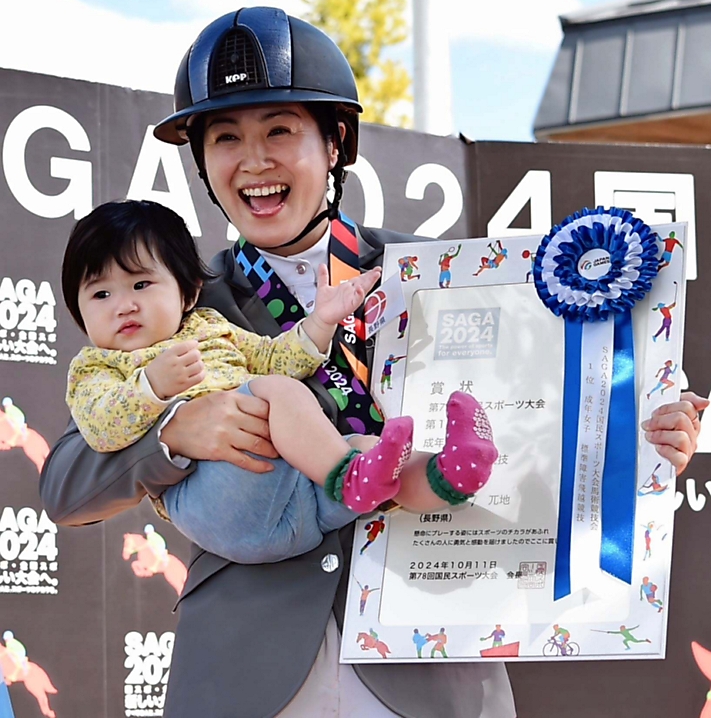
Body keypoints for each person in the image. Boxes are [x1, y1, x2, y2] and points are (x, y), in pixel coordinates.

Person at [39, 6, 707, 718]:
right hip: (245, 671)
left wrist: (649, 430)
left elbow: (547, 416)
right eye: (226, 137)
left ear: (334, 144)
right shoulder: (176, 310)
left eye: (280, 132)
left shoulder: (447, 276)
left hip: (432, 656)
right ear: (203, 165)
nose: (254, 161)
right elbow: (64, 487)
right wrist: (172, 434)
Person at [61, 200, 497, 564]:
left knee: (369, 449)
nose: (124, 306)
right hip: (214, 497)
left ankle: (448, 475)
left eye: (141, 284)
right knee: (279, 394)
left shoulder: (211, 326)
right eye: (101, 294)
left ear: (188, 294)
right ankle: (349, 475)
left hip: (298, 495)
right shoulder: (97, 367)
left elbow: (276, 359)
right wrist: (155, 393)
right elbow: (100, 428)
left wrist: (322, 322)